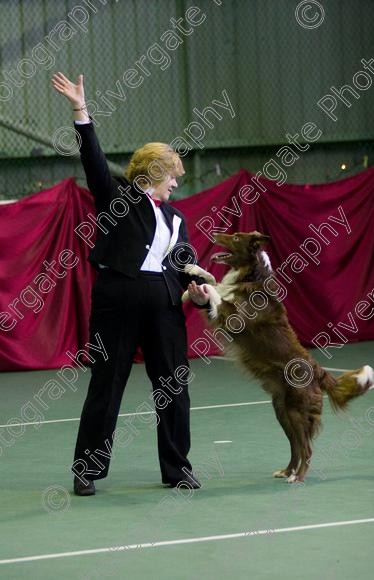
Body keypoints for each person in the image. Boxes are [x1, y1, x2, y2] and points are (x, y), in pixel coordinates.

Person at [51, 72, 210, 496]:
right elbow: (94, 161)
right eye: (172, 174)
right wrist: (80, 110)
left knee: (173, 384)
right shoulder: (118, 197)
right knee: (107, 383)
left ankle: (177, 468)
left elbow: (186, 264)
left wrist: (197, 289)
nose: (177, 182)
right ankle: (87, 471)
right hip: (117, 302)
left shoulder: (177, 220)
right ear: (154, 172)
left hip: (165, 307)